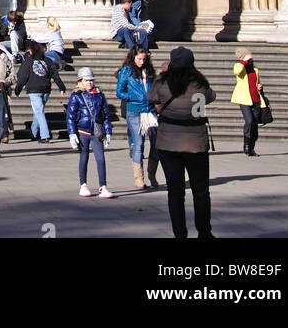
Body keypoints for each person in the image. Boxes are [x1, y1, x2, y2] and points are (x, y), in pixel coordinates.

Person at [149, 46, 216, 240]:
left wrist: (163, 74)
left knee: (175, 193)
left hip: (168, 143)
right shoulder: (200, 83)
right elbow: (210, 97)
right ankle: (204, 232)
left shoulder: (162, 81)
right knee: (201, 191)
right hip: (196, 142)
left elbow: (151, 97)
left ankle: (180, 234)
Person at [66, 66, 114, 197]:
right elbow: (71, 116)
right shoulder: (76, 96)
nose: (89, 83)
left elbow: (105, 115)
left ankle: (103, 186)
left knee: (100, 159)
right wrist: (72, 133)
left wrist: (108, 131)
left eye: (91, 80)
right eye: (86, 80)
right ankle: (83, 185)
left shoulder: (100, 95)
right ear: (80, 81)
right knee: (84, 158)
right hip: (82, 132)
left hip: (96, 132)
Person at [116, 46, 159, 189]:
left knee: (156, 143)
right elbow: (119, 92)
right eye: (139, 59)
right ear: (133, 57)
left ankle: (152, 174)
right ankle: (139, 178)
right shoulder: (126, 71)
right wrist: (133, 97)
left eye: (144, 59)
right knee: (139, 144)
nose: (141, 62)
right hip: (134, 110)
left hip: (150, 110)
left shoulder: (149, 71)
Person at [14, 39, 66, 141]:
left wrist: (18, 88)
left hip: (34, 90)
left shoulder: (28, 62)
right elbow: (55, 75)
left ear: (31, 51)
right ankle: (33, 132)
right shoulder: (48, 61)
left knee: (39, 111)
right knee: (39, 111)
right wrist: (61, 87)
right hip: (46, 89)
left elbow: (22, 77)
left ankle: (45, 135)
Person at [231, 48, 267, 157]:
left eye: (251, 58)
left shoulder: (255, 69)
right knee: (249, 121)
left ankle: (252, 147)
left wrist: (259, 87)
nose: (251, 60)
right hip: (244, 99)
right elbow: (237, 71)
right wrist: (244, 61)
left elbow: (257, 82)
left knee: (255, 125)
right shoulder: (239, 67)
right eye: (249, 58)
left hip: (256, 98)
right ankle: (246, 145)